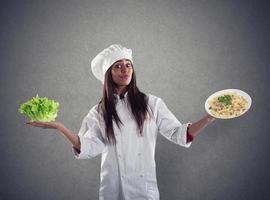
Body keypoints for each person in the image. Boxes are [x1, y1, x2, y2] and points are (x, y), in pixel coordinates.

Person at [27, 44, 216, 200]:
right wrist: (60, 127)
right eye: (118, 66)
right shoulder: (98, 112)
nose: (125, 70)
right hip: (113, 189)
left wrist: (209, 116)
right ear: (108, 74)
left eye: (128, 65)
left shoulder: (152, 103)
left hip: (144, 190)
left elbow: (178, 134)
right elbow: (88, 147)